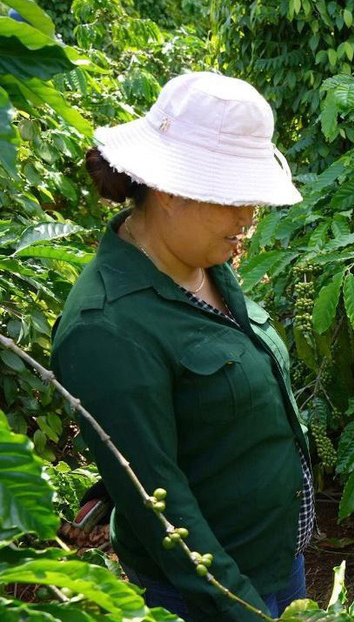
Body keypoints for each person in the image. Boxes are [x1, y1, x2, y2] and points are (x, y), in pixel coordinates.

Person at [51, 71, 310, 620]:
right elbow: (158, 502)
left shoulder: (202, 264)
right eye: (234, 200)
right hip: (214, 589)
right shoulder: (107, 328)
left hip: (274, 557)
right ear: (170, 191)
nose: (248, 218)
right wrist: (238, 604)